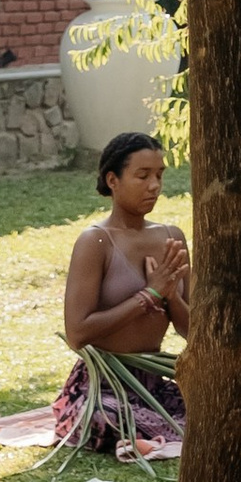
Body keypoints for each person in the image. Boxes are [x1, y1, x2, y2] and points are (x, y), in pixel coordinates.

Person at [56, 130, 190, 447]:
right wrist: (148, 296)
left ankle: (158, 433)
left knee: (225, 405)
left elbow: (195, 331)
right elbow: (77, 333)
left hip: (154, 383)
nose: (154, 185)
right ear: (113, 180)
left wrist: (171, 297)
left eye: (159, 175)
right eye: (142, 176)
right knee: (111, 419)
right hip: (104, 387)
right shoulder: (96, 241)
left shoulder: (172, 237)